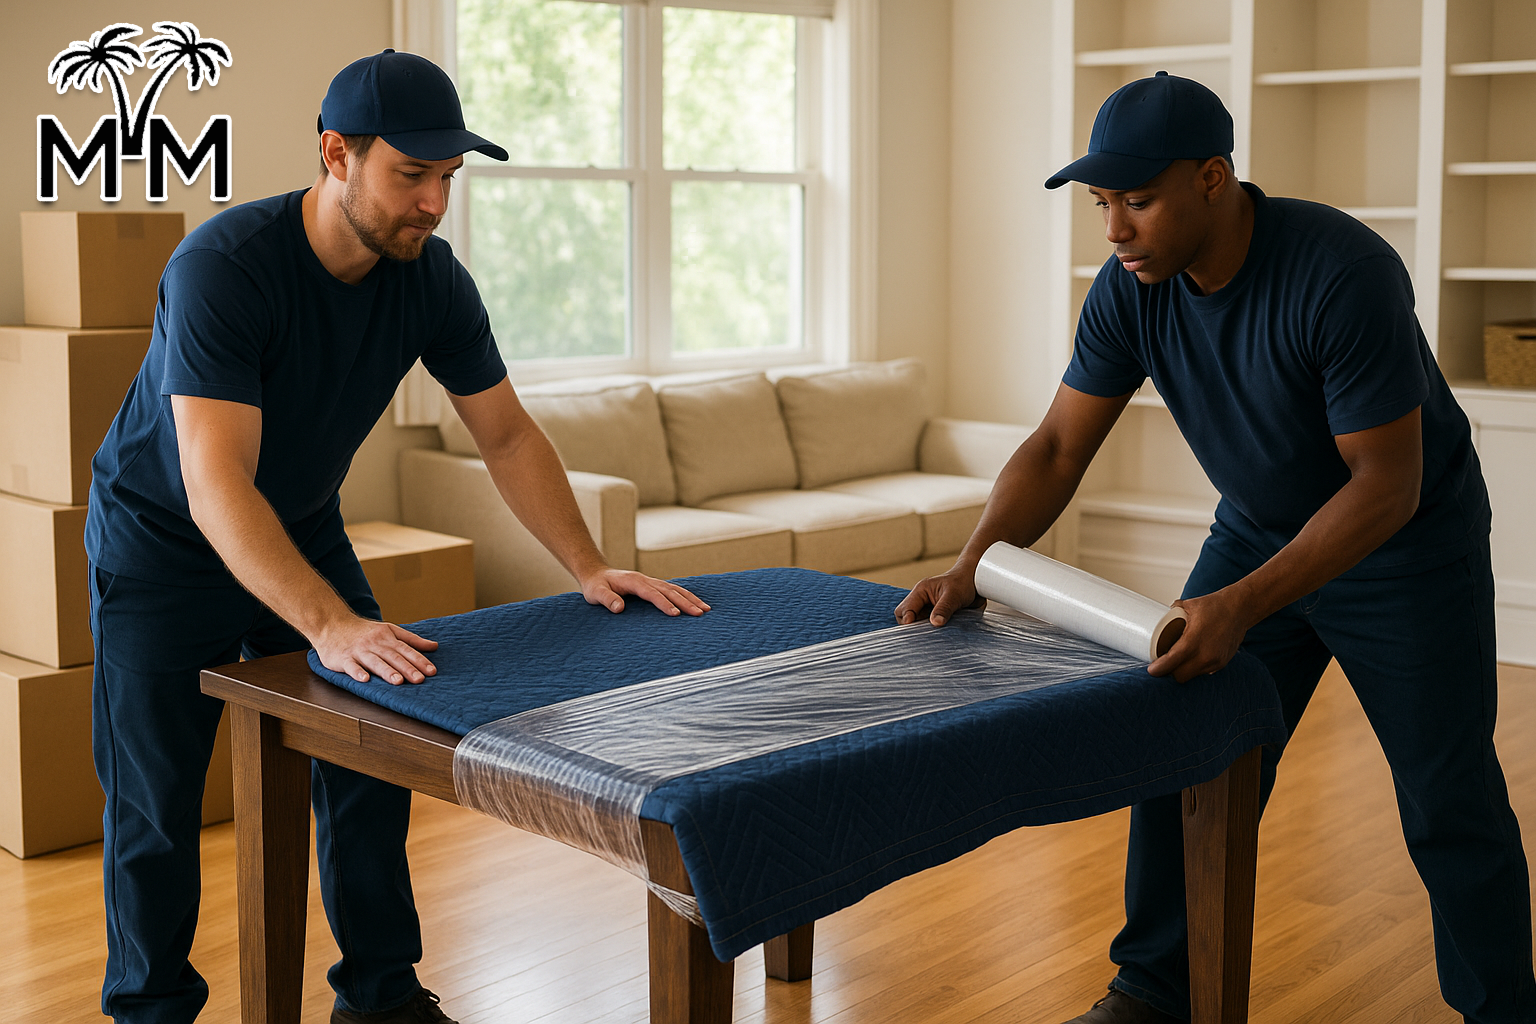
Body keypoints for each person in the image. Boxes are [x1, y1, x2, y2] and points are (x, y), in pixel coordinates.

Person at [896, 72, 1534, 1024]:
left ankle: (1503, 1011)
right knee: (1175, 740)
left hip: (1404, 546)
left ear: (1211, 179)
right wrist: (973, 563)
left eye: (1137, 202)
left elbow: (1383, 487)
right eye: (1102, 203)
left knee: (1447, 794)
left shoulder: (1340, 272)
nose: (1113, 229)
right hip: (1259, 524)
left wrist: (1240, 605)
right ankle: (1154, 991)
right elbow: (1059, 445)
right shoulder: (1129, 292)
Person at [86, 49, 707, 1024]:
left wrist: (588, 566)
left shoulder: (427, 277)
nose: (432, 203)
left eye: (447, 179)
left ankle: (380, 997)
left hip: (295, 523)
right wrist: (329, 625)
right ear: (336, 155)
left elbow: (505, 433)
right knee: (156, 809)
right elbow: (213, 485)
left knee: (368, 750)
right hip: (164, 544)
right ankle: (150, 1011)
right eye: (410, 175)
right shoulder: (224, 270)